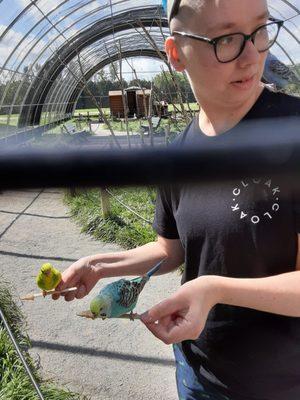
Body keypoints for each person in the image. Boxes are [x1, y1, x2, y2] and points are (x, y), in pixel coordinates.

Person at [53, 1, 300, 399]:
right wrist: (98, 265)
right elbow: (171, 249)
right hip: (196, 371)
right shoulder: (179, 153)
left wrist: (214, 289)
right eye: (226, 39)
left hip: (280, 384)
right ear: (175, 54)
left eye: (259, 30)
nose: (253, 54)